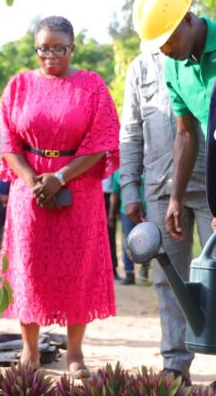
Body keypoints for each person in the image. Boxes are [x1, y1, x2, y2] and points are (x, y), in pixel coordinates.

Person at [0, 16, 119, 378]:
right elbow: (7, 141)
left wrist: (62, 177)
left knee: (78, 268)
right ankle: (29, 351)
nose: (51, 55)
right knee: (28, 268)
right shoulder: (18, 85)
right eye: (44, 48)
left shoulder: (92, 85)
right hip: (28, 190)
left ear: (72, 48)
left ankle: (76, 354)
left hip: (78, 190)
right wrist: (33, 179)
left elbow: (102, 140)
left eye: (59, 48)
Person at [119, 49, 210, 384]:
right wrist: (130, 188)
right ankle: (175, 363)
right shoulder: (138, 68)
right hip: (159, 188)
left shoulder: (199, 54)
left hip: (208, 185)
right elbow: (130, 132)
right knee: (168, 278)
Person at [132, 0, 216, 237]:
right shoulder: (174, 69)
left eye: (169, 40)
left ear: (188, 18)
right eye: (160, 46)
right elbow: (186, 134)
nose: (166, 50)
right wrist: (175, 199)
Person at [103, 173, 121, 281]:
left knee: (110, 235)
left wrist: (112, 213)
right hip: (94, 195)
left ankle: (112, 269)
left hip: (110, 198)